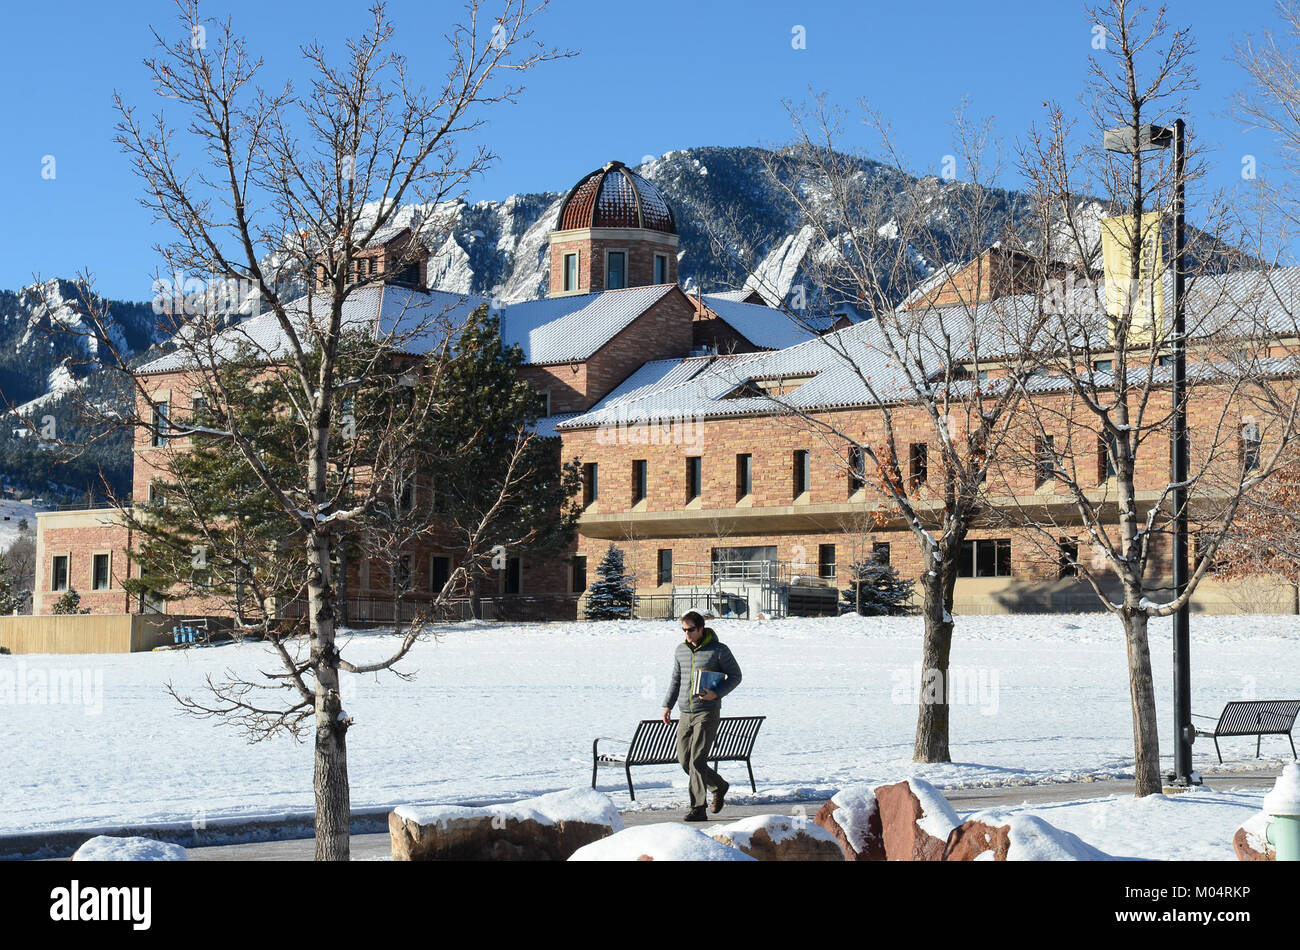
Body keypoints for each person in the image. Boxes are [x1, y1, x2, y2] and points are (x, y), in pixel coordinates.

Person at [661, 610, 742, 821]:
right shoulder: (681, 650)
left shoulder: (719, 651)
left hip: (707, 712)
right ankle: (719, 786)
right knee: (684, 760)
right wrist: (667, 705)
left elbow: (735, 675)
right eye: (684, 630)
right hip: (685, 712)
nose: (687, 634)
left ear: (701, 629)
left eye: (690, 630)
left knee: (697, 760)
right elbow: (676, 679)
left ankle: (698, 808)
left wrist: (717, 693)